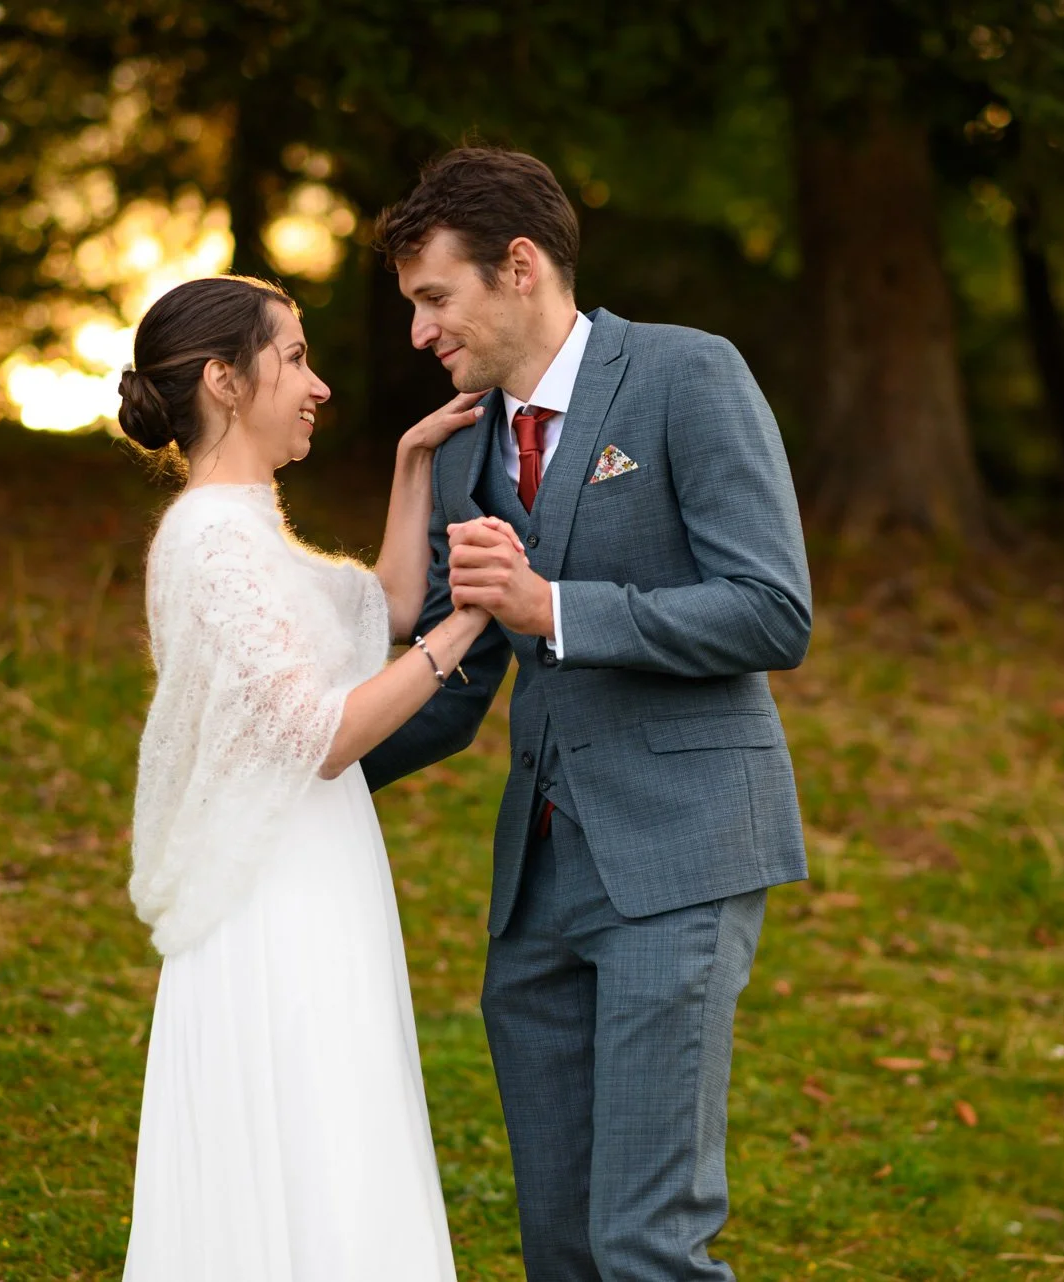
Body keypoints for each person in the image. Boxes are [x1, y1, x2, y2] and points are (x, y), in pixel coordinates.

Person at [363, 147, 814, 1281]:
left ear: (519, 266)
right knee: (559, 1244)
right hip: (538, 889)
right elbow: (461, 678)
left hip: (681, 854)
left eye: (434, 298)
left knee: (646, 1243)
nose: (419, 332)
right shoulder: (467, 442)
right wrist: (307, 771)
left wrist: (555, 607)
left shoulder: (686, 376)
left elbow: (772, 610)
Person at [115, 274, 504, 1280]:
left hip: (317, 883)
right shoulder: (208, 541)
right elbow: (318, 734)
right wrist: (466, 632)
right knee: (311, 1141)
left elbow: (380, 605)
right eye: (293, 357)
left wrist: (414, 462)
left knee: (339, 1135)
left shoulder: (246, 529)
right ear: (225, 380)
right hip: (274, 904)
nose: (319, 384)